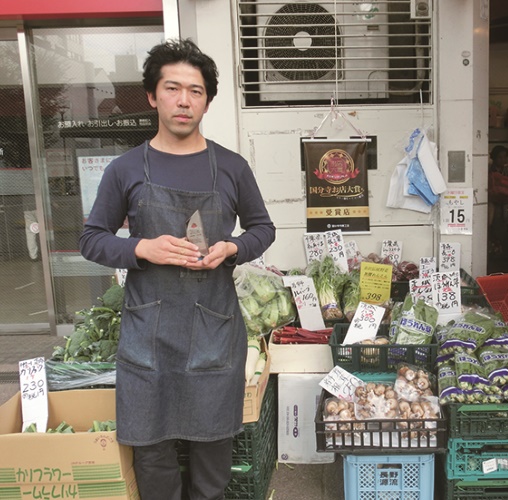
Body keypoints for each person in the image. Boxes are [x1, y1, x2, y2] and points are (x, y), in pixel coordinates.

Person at [79, 39, 276, 499]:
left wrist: (233, 247)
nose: (184, 100)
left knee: (212, 451)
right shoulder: (125, 169)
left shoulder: (232, 168)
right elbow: (92, 239)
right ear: (153, 96)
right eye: (173, 88)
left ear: (207, 101)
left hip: (214, 327)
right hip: (148, 331)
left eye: (196, 91)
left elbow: (263, 229)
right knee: (151, 453)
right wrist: (141, 247)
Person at [487, 145, 508, 255]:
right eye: (500, 157)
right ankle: (506, 253)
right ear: (494, 158)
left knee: (503, 225)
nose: (503, 159)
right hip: (493, 204)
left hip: (505, 203)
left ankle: (502, 252)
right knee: (497, 228)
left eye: (505, 157)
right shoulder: (490, 171)